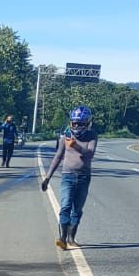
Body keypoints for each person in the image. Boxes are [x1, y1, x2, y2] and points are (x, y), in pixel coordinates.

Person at [41, 105, 97, 248]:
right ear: (71, 123)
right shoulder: (65, 136)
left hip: (84, 177)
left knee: (77, 209)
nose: (77, 126)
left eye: (80, 123)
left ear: (87, 124)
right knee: (65, 206)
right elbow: (58, 157)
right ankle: (63, 239)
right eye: (75, 123)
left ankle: (72, 238)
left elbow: (89, 154)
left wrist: (76, 146)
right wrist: (47, 178)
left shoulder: (92, 136)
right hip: (68, 176)